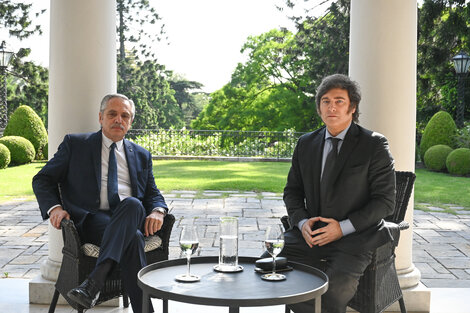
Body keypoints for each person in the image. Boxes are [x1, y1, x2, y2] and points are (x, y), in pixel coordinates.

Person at [32, 94, 168, 313]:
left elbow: (153, 193)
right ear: (100, 117)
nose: (118, 120)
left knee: (133, 205)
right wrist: (54, 208)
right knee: (132, 239)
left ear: (130, 121)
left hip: (130, 216)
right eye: (112, 114)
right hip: (92, 222)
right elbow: (42, 179)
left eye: (125, 116)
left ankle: (93, 284)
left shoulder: (141, 155)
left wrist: (159, 211)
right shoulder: (76, 145)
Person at [281, 74, 396, 313]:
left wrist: (341, 228)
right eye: (325, 101)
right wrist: (301, 222)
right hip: (310, 237)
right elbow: (292, 192)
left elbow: (385, 202)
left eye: (339, 101)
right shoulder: (305, 143)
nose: (331, 106)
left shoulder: (374, 145)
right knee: (267, 270)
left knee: (331, 293)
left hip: (354, 239)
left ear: (352, 107)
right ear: (319, 108)